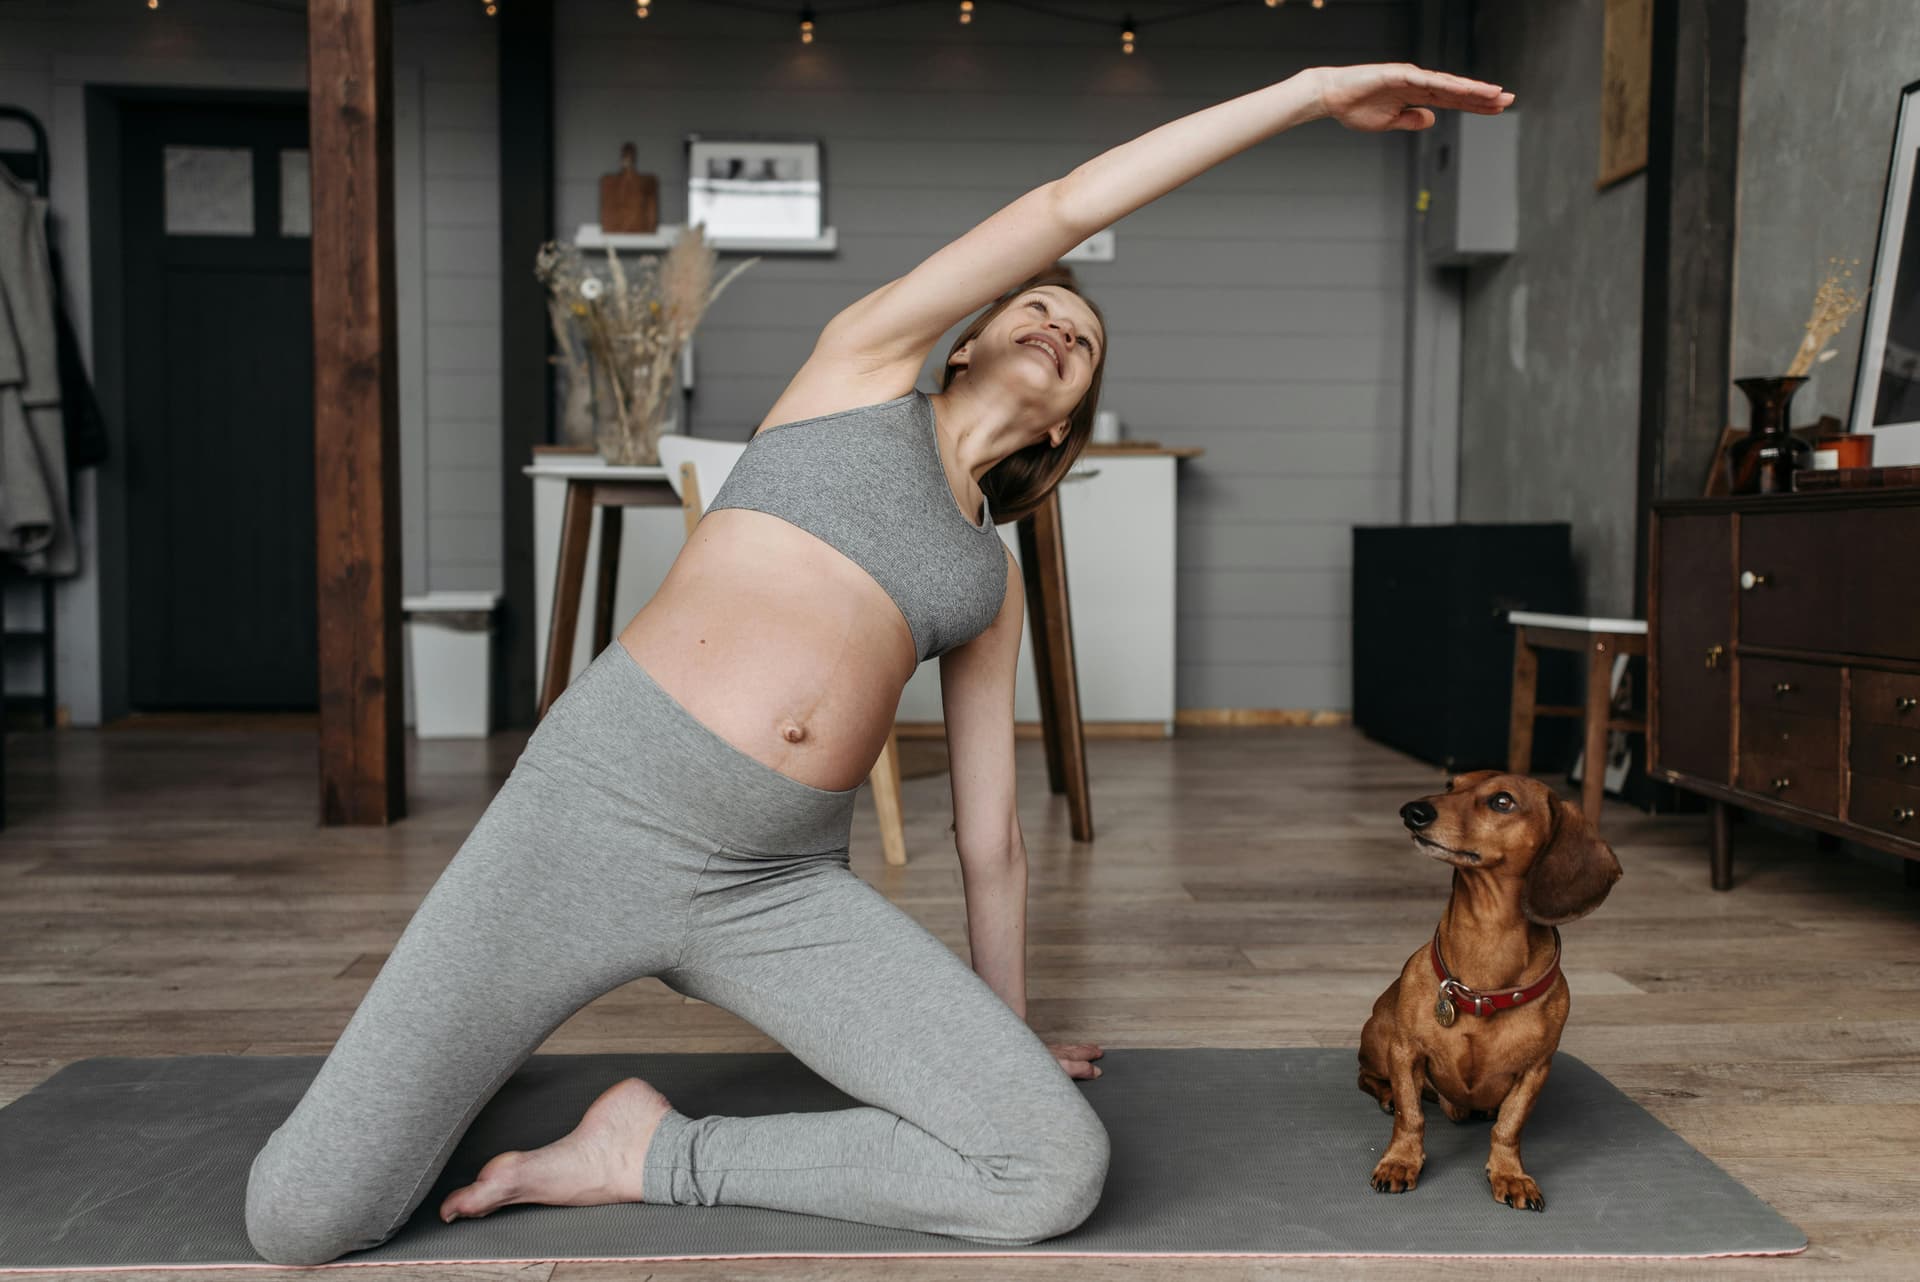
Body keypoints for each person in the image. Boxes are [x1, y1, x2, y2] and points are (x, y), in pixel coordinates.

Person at [243, 62, 1513, 1265]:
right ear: (963, 342)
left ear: (1067, 422)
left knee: (1052, 1168)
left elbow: (991, 836)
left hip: (773, 890)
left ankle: (646, 1151)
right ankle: (465, 1052)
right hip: (589, 820)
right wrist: (1306, 95)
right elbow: (1067, 204)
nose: (1061, 325)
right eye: (1038, 305)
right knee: (302, 1217)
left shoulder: (986, 576)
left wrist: (1000, 1032)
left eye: (1082, 336)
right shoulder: (854, 374)